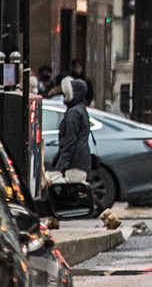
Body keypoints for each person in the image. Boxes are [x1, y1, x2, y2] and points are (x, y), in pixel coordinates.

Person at [53, 79, 95, 216]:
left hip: (74, 161)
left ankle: (103, 214)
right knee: (77, 191)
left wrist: (62, 165)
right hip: (81, 158)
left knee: (70, 194)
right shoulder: (81, 110)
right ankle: (104, 215)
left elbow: (70, 140)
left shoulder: (73, 113)